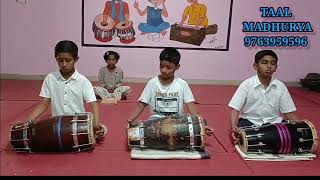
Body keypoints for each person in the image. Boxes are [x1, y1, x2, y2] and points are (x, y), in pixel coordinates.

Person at [25, 40, 106, 140]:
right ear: (56, 59)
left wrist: (96, 124)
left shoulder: (83, 81)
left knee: (101, 129)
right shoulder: (50, 78)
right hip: (57, 125)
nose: (64, 64)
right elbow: (44, 104)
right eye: (60, 60)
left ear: (76, 59)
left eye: (68, 60)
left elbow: (93, 104)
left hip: (77, 125)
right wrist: (27, 121)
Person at [127, 47, 213, 136]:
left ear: (177, 67)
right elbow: (141, 104)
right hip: (155, 120)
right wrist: (131, 119)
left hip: (177, 122)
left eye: (168, 67)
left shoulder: (182, 84)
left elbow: (192, 109)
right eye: (161, 66)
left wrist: (203, 125)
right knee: (139, 133)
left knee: (193, 128)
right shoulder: (152, 83)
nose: (164, 70)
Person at [228, 50, 301, 144]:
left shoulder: (280, 86)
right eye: (264, 63)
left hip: (273, 123)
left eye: (273, 63)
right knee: (244, 135)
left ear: (276, 68)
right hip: (250, 122)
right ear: (255, 66)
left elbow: (288, 113)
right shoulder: (246, 85)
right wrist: (234, 128)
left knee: (290, 135)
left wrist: (302, 127)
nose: (269, 66)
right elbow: (235, 109)